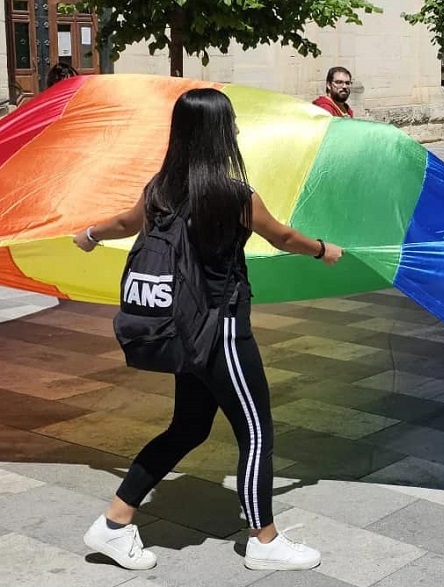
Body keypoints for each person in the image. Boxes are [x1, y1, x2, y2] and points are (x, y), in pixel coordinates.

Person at [73, 88, 343, 571]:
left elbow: (122, 222)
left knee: (189, 427)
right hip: (222, 331)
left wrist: (89, 236)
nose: (237, 129)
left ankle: (114, 523)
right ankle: (265, 541)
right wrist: (324, 249)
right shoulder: (234, 194)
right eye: (232, 123)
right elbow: (282, 237)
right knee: (257, 432)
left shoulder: (160, 189)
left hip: (185, 329)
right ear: (220, 132)